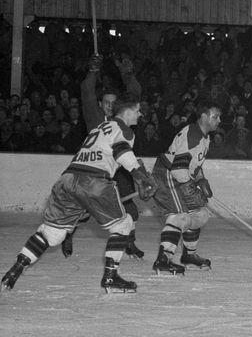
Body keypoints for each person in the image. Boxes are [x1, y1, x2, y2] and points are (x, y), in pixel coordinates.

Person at [0, 95, 157, 293]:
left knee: (52, 234)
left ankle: (14, 271)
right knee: (124, 225)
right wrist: (139, 174)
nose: (140, 114)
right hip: (93, 181)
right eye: (137, 110)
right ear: (126, 111)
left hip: (67, 180)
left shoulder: (99, 128)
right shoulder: (125, 130)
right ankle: (110, 276)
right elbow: (121, 152)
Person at [61, 55, 145, 260]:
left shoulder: (122, 117)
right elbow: (86, 91)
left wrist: (128, 74)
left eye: (113, 103)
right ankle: (68, 233)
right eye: (106, 102)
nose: (109, 106)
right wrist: (92, 72)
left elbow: (135, 94)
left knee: (131, 211)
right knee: (83, 213)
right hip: (96, 169)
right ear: (100, 103)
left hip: (118, 170)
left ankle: (129, 242)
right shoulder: (94, 115)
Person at [151, 101, 222, 275]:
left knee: (200, 214)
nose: (219, 120)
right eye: (215, 116)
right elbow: (177, 168)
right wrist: (191, 187)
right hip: (168, 175)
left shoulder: (205, 136)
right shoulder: (193, 135)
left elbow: (192, 165)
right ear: (204, 117)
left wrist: (201, 179)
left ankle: (189, 256)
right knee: (180, 217)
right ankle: (163, 260)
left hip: (180, 176)